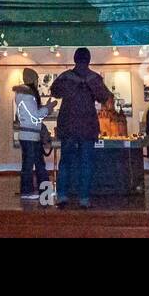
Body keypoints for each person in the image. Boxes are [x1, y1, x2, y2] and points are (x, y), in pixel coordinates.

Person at [50, 48, 113, 208]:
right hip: (87, 127)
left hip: (68, 127)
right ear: (89, 60)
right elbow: (105, 97)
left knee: (65, 162)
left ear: (75, 59)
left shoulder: (65, 77)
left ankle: (62, 196)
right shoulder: (94, 78)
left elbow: (54, 91)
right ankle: (84, 199)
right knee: (86, 163)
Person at [14, 68, 54, 200]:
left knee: (36, 163)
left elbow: (33, 115)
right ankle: (27, 191)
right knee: (30, 164)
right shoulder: (27, 96)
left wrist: (45, 109)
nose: (38, 82)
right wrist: (47, 109)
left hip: (30, 136)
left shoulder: (24, 95)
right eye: (36, 79)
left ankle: (44, 191)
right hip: (30, 137)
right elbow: (35, 116)